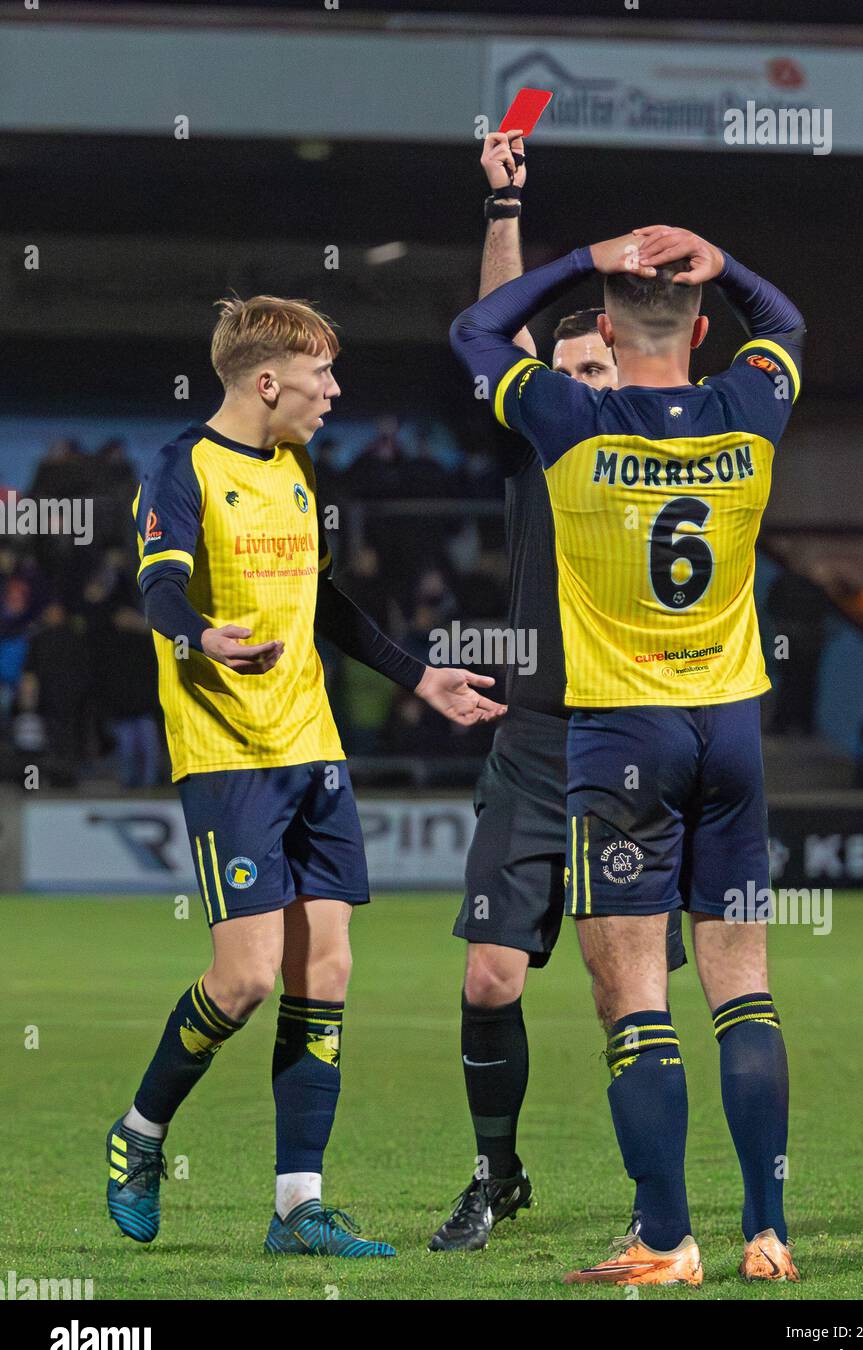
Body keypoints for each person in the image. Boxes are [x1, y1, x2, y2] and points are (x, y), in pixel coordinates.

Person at [107, 293, 504, 1261]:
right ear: (267, 380)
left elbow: (321, 599)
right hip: (228, 756)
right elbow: (158, 579)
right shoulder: (181, 465)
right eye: (322, 375)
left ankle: (298, 1205)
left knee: (324, 969)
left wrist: (421, 677)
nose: (335, 392)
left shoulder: (293, 467)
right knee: (241, 980)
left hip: (312, 750)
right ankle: (140, 1134)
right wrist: (198, 633)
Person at [451, 222, 804, 1286]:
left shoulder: (572, 420)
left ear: (603, 329)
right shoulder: (752, 406)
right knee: (742, 987)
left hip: (620, 732)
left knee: (634, 997)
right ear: (703, 330)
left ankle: (663, 1236)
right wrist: (725, 258)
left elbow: (476, 330)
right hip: (732, 725)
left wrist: (579, 256)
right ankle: (767, 1229)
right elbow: (782, 322)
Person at [429, 132, 685, 1254]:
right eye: (563, 370)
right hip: (535, 740)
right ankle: (497, 1172)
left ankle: (655, 1203)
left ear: (628, 369)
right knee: (489, 977)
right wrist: (505, 203)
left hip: (631, 740)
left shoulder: (665, 450)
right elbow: (499, 335)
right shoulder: (544, 442)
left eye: (593, 367)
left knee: (624, 996)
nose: (573, 382)